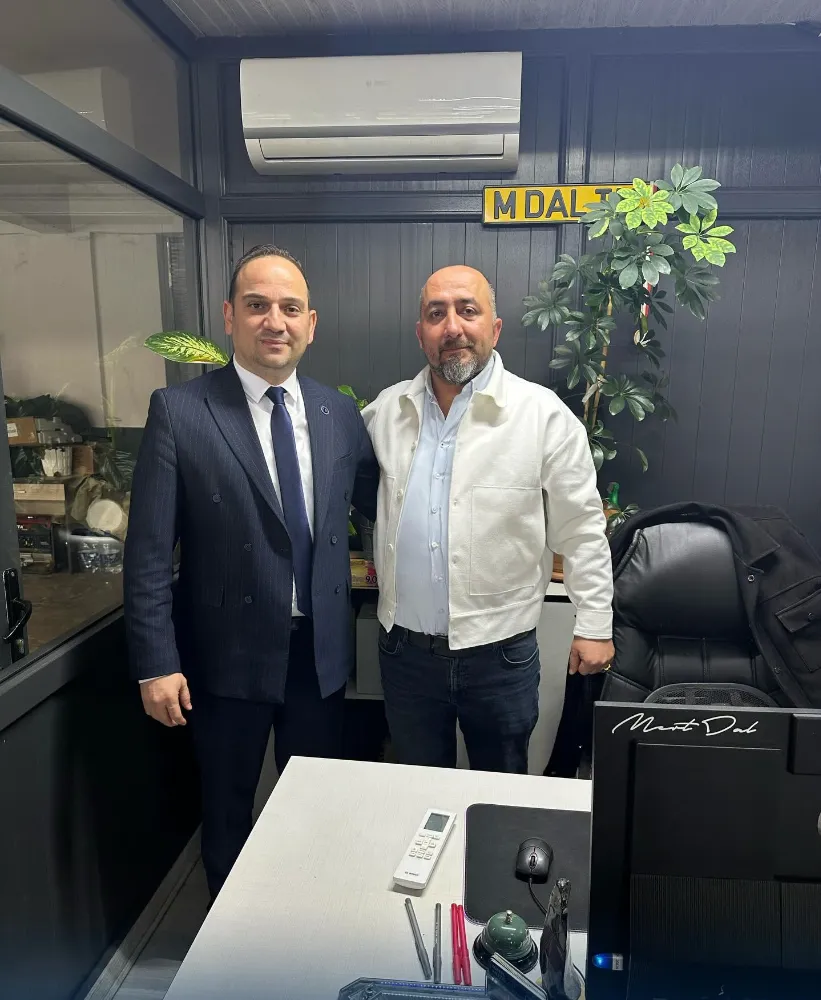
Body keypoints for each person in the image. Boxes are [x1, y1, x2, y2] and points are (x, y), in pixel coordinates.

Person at [124, 245, 378, 900]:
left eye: (290, 308)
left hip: (317, 656)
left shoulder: (337, 413)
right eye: (258, 305)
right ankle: (229, 943)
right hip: (225, 657)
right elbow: (148, 552)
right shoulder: (180, 411)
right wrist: (155, 662)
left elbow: (376, 504)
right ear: (229, 316)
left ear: (310, 324)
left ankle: (305, 923)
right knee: (228, 816)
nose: (275, 321)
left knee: (315, 810)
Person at [361, 265, 614, 773]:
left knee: (501, 792)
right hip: (405, 654)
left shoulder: (541, 415)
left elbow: (582, 527)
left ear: (494, 329)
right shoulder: (387, 412)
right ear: (421, 333)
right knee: (417, 791)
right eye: (437, 314)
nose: (452, 326)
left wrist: (595, 624)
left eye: (468, 310)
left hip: (500, 657)